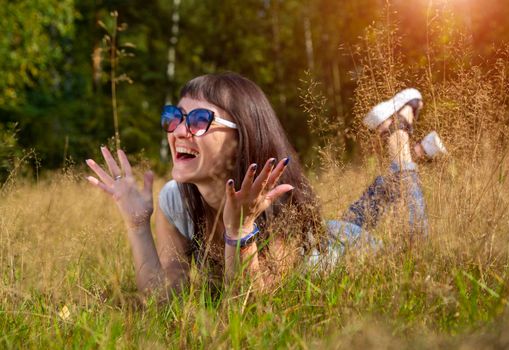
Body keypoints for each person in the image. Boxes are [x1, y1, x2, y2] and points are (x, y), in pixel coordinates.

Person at [86, 73, 443, 296]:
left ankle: (399, 136)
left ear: (241, 137)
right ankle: (416, 154)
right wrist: (136, 225)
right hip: (331, 233)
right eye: (174, 117)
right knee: (355, 218)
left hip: (346, 250)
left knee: (417, 246)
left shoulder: (276, 202)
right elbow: (166, 299)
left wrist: (240, 227)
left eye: (197, 120)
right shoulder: (175, 200)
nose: (179, 130)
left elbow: (252, 305)